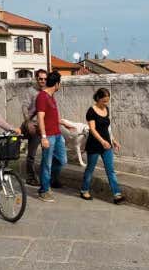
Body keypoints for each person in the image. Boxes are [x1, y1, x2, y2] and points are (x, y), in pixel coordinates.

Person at [35, 71, 79, 201]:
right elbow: (40, 118)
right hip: (48, 136)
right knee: (47, 163)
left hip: (57, 134)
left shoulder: (51, 96)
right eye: (60, 83)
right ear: (57, 84)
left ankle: (48, 177)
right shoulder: (42, 97)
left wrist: (64, 124)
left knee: (62, 160)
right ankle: (44, 189)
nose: (60, 86)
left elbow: (52, 116)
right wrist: (43, 137)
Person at [80, 88, 124, 203]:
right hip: (94, 144)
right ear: (98, 99)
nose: (106, 103)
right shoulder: (91, 111)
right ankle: (84, 190)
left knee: (110, 170)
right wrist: (102, 141)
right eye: (104, 101)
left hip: (107, 145)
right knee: (90, 169)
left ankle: (117, 194)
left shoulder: (106, 110)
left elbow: (107, 128)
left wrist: (113, 140)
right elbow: (92, 129)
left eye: (107, 101)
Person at [19, 68, 48, 185]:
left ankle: (46, 177)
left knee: (48, 152)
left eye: (45, 79)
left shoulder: (48, 91)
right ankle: (30, 177)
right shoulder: (31, 91)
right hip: (33, 124)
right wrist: (28, 122)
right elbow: (24, 106)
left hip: (44, 126)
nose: (42, 81)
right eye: (40, 79)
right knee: (31, 154)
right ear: (36, 78)